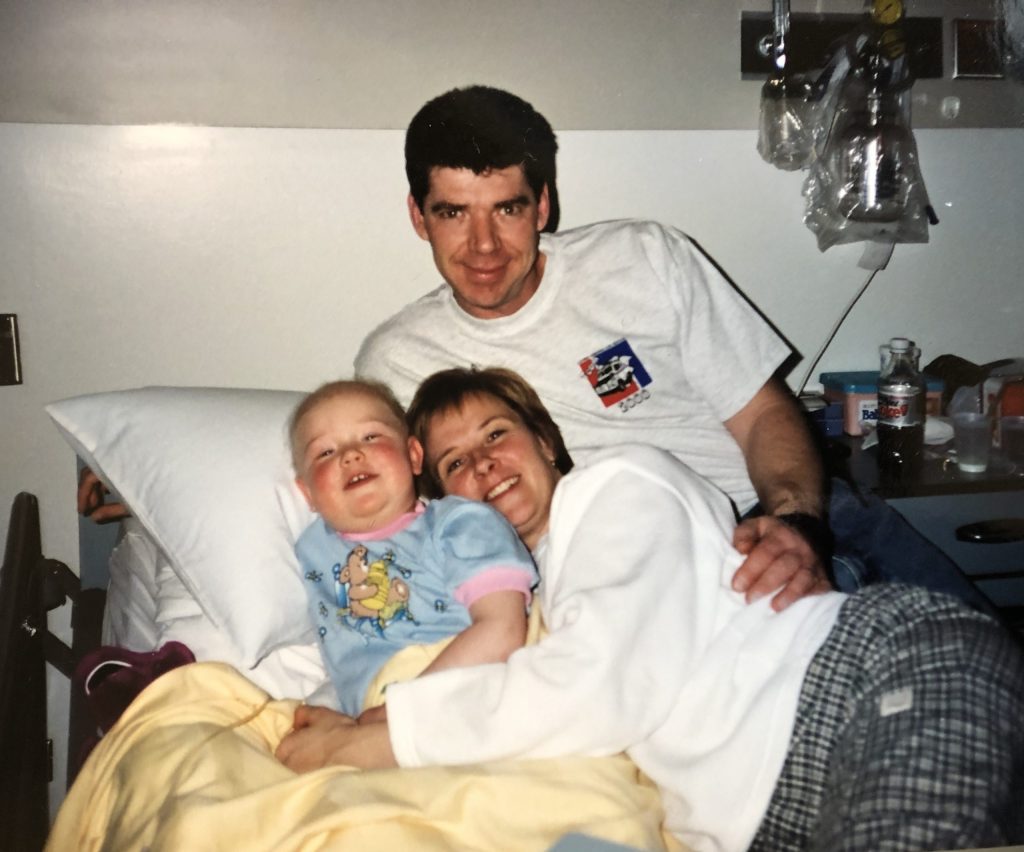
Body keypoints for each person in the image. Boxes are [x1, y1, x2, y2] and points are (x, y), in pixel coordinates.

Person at [276, 367, 1024, 852]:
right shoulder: (534, 596)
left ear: (546, 441)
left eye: (497, 436)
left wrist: (364, 739)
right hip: (761, 814)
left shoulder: (620, 486)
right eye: (455, 464)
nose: (484, 466)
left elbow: (599, 684)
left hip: (861, 689)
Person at [353, 83, 994, 615]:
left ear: (542, 205)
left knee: (986, 662)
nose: (485, 245)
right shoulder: (396, 363)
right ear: (418, 215)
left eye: (508, 209)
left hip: (777, 510)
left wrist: (797, 524)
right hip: (636, 573)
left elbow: (766, 415)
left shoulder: (641, 258)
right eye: (454, 213)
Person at [289, 378, 537, 717]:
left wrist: (400, 709)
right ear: (307, 495)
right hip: (370, 704)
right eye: (325, 452)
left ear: (413, 455)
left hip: (466, 670)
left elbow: (503, 629)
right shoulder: (309, 550)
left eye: (370, 436)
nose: (350, 455)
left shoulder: (459, 522)